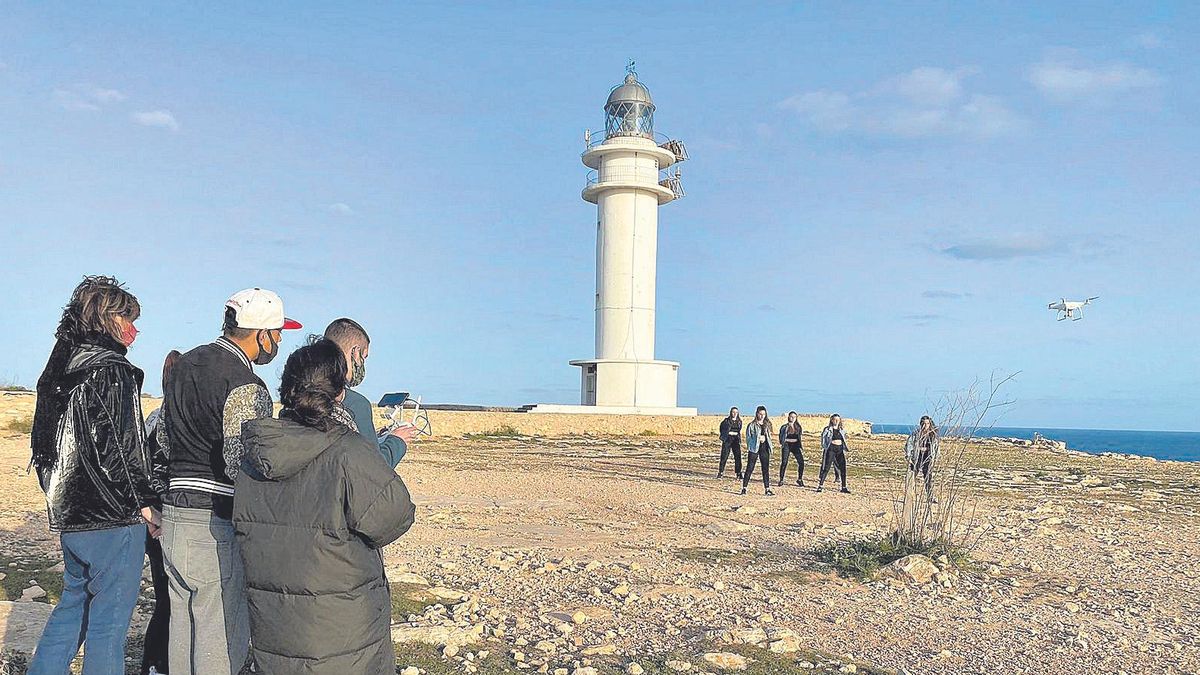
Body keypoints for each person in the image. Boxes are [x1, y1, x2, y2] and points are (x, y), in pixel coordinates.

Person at [233, 338, 416, 674]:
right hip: (343, 624)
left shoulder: (254, 455)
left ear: (286, 388)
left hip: (276, 622)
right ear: (339, 392)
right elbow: (394, 516)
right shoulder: (349, 452)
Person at [157, 288, 302, 675]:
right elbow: (242, 464)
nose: (279, 342)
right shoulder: (246, 384)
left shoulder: (184, 365)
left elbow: (163, 439)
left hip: (172, 515)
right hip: (214, 523)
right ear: (261, 334)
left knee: (183, 629)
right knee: (218, 636)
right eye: (278, 333)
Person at [28, 275, 160, 675]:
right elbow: (123, 447)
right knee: (108, 626)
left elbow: (43, 448)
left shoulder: (60, 369)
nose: (134, 328)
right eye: (127, 318)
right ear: (106, 319)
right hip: (113, 517)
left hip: (73, 516)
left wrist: (62, 500)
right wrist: (146, 502)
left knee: (72, 608)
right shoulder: (111, 369)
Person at [323, 318, 417, 467]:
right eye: (363, 357)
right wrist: (397, 441)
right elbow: (375, 466)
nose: (362, 365)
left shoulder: (296, 395)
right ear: (355, 352)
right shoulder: (354, 403)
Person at [141, 350, 181, 675]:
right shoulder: (180, 421)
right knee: (173, 603)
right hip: (171, 519)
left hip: (149, 518)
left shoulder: (152, 417)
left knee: (163, 601)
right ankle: (160, 664)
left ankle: (151, 663)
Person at [740, 406, 775, 496]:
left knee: (765, 469)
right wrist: (757, 439)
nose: (762, 416)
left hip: (765, 448)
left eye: (764, 414)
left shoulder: (767, 424)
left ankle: (767, 489)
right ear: (757, 414)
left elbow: (770, 436)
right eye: (760, 414)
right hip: (754, 448)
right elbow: (748, 438)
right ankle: (744, 488)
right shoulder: (752, 425)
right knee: (750, 468)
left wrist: (767, 441)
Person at [905, 415, 939, 503]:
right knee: (911, 476)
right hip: (917, 456)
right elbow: (909, 444)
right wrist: (909, 456)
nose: (925, 425)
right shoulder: (916, 434)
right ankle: (908, 496)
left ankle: (930, 496)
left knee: (928, 477)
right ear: (921, 424)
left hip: (928, 457)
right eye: (924, 423)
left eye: (927, 423)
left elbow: (936, 447)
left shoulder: (933, 435)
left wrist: (935, 457)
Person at [817, 414, 850, 494]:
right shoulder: (828, 429)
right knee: (826, 467)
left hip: (840, 449)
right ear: (832, 420)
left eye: (838, 420)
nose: (836, 421)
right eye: (835, 419)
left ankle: (844, 487)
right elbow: (823, 439)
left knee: (843, 468)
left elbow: (844, 439)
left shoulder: (841, 429)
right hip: (831, 449)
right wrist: (825, 447)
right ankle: (820, 486)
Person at [778, 411, 805, 487]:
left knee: (801, 462)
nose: (792, 418)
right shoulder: (784, 427)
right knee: (784, 462)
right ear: (788, 417)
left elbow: (799, 436)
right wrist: (783, 442)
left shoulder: (798, 427)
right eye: (791, 416)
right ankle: (781, 479)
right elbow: (780, 436)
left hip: (795, 445)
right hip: (786, 445)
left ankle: (799, 479)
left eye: (794, 417)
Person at [717, 406, 743, 479]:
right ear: (731, 413)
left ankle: (738, 473)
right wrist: (724, 435)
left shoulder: (739, 421)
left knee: (738, 457)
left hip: (736, 439)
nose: (735, 414)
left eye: (736, 412)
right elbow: (721, 428)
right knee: (724, 456)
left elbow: (739, 429)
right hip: (728, 439)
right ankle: (721, 472)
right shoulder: (726, 421)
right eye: (733, 412)